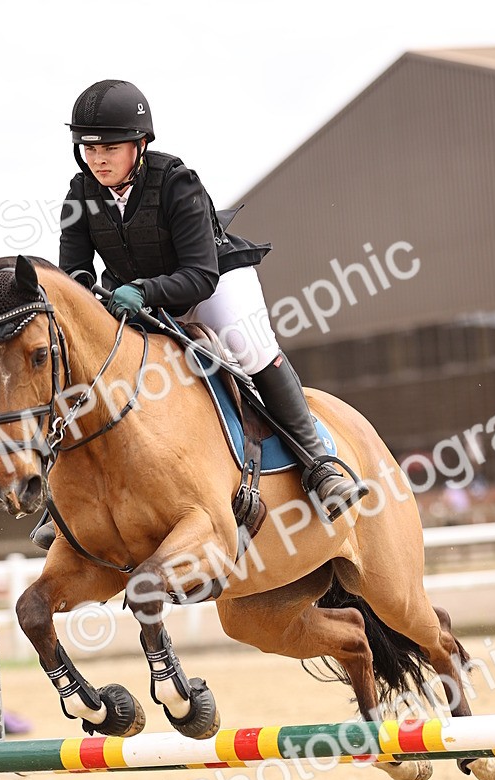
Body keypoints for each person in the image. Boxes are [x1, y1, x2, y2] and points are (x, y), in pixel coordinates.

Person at [54, 79, 364, 527]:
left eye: (110, 148)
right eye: (88, 148)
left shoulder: (178, 183)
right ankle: (72, 495)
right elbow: (74, 275)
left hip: (211, 284)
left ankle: (319, 464)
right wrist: (88, 297)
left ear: (140, 145)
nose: (97, 159)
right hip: (138, 296)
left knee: (249, 346)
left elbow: (200, 275)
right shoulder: (79, 196)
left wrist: (143, 290)